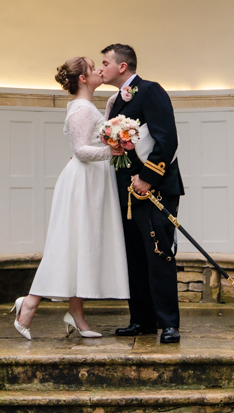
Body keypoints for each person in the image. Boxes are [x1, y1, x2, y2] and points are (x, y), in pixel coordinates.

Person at [10, 57, 130, 340]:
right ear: (83, 79)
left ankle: (76, 313)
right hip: (82, 182)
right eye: (93, 67)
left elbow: (97, 130)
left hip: (93, 181)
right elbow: (80, 150)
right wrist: (111, 152)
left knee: (82, 245)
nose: (100, 69)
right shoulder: (80, 109)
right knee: (66, 244)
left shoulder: (88, 107)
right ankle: (28, 304)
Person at [100, 44, 183, 344]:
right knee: (135, 256)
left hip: (155, 188)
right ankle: (142, 320)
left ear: (122, 67)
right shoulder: (117, 102)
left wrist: (148, 178)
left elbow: (167, 139)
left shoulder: (150, 91)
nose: (101, 68)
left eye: (105, 63)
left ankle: (168, 323)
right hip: (127, 191)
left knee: (159, 253)